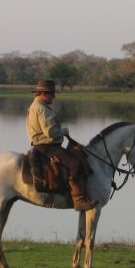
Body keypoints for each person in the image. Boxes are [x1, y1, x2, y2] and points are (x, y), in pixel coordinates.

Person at [26, 79, 96, 211]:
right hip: (47, 146)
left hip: (43, 145)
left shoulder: (36, 106)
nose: (54, 97)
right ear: (45, 94)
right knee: (75, 163)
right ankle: (79, 200)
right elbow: (51, 133)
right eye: (52, 94)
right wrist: (63, 132)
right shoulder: (42, 109)